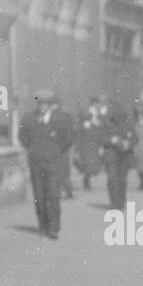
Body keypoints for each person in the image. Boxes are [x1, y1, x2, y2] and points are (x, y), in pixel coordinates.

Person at [18, 89, 73, 239]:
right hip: (36, 163)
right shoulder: (29, 118)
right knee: (39, 196)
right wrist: (33, 148)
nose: (42, 106)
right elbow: (22, 136)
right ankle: (43, 225)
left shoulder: (61, 118)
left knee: (53, 195)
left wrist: (56, 151)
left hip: (53, 163)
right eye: (39, 103)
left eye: (45, 104)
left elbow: (68, 138)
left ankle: (54, 227)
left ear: (50, 105)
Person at [102, 104, 135, 211]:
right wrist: (112, 140)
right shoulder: (107, 125)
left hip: (124, 156)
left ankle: (120, 203)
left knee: (122, 180)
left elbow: (135, 137)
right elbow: (101, 138)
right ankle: (114, 203)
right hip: (111, 156)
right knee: (112, 180)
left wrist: (128, 143)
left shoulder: (127, 125)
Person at [74, 97, 106, 191]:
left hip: (95, 138)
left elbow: (102, 125)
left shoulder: (100, 114)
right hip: (87, 137)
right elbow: (80, 123)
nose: (98, 105)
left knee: (93, 161)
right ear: (93, 104)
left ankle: (87, 178)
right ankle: (86, 179)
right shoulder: (86, 112)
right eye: (97, 103)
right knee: (87, 161)